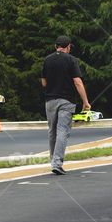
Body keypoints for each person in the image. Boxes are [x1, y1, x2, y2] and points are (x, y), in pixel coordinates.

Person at [41, 35, 91, 175]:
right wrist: (85, 102)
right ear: (68, 46)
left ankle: (53, 161)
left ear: (55, 46)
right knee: (63, 130)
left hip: (50, 100)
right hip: (66, 101)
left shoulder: (47, 60)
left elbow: (43, 82)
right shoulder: (71, 60)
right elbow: (78, 82)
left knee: (52, 131)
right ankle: (57, 163)